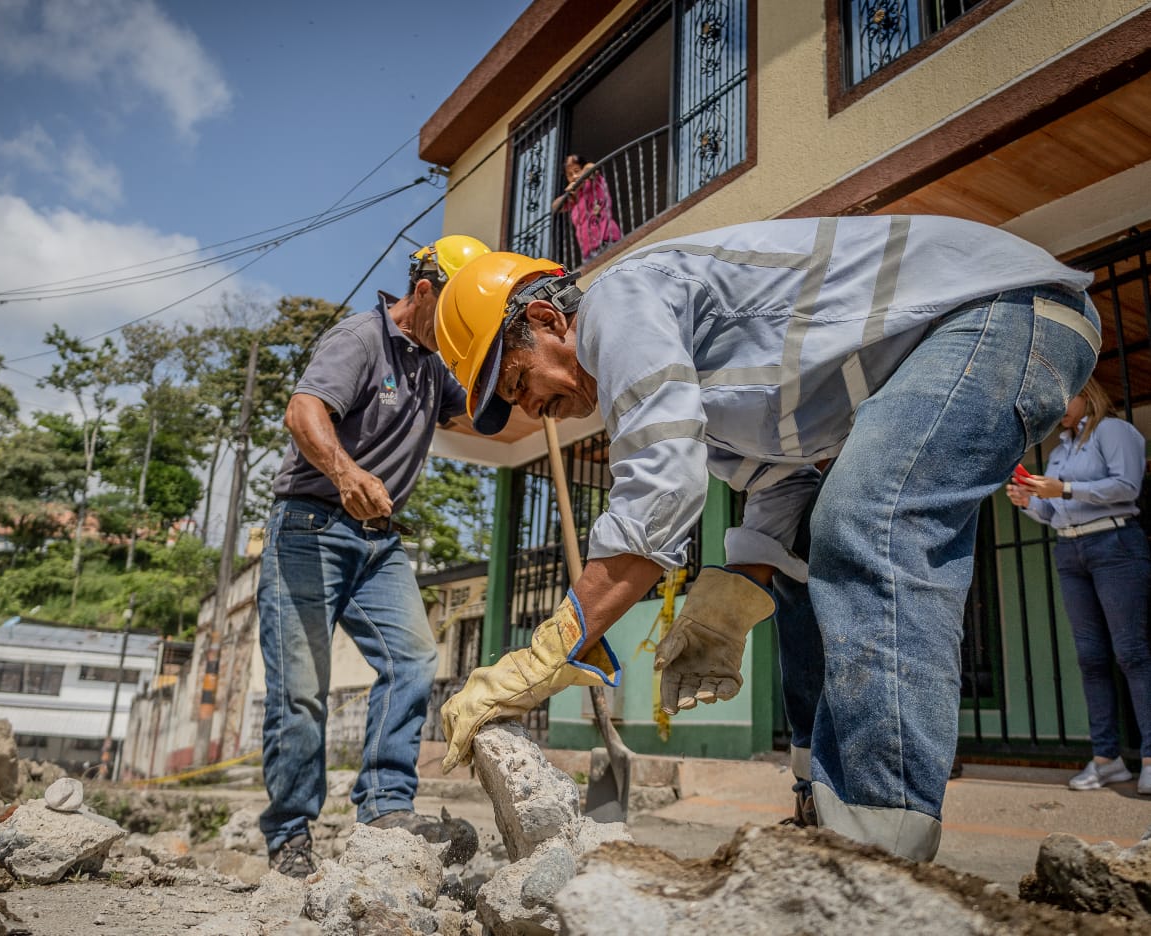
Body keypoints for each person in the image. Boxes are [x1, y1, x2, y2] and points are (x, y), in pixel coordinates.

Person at [433, 215, 1101, 862]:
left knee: (868, 520)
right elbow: (781, 489)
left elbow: (661, 485)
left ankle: (878, 845)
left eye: (517, 382)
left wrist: (550, 652)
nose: (529, 408)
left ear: (548, 320)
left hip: (1004, 312)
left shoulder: (617, 304)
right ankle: (819, 810)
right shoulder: (695, 382)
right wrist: (726, 608)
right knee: (806, 553)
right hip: (966, 334)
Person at [257, 234, 489, 878]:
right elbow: (304, 411)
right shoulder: (362, 339)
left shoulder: (434, 364)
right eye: (460, 312)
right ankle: (290, 838)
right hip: (309, 527)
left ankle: (386, 808)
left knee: (413, 659)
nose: (464, 328)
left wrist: (542, 381)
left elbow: (479, 414)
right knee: (301, 691)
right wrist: (345, 472)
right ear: (424, 291)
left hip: (378, 541)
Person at [1006, 378, 1151, 794]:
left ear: (1087, 392)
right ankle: (1107, 760)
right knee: (1090, 658)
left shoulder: (1114, 431)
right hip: (1070, 550)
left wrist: (1065, 488)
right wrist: (1030, 502)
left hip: (1114, 543)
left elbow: (1127, 486)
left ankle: (1149, 757)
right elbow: (1054, 513)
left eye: (1063, 397)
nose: (1057, 407)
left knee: (1132, 653)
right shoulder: (1059, 451)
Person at [552, 154, 622, 263]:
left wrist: (579, 182)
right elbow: (555, 207)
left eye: (577, 171)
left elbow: (591, 167)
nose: (574, 176)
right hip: (588, 252)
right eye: (570, 175)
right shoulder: (574, 197)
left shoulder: (594, 181)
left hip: (607, 240)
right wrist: (568, 194)